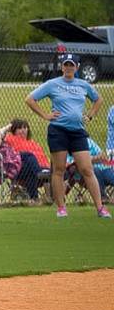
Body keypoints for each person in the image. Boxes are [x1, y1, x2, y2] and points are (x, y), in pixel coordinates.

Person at [25, 53, 108, 219]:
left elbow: (98, 99)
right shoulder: (52, 84)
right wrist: (46, 115)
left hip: (77, 132)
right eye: (66, 65)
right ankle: (61, 207)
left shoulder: (83, 85)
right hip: (58, 131)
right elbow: (30, 99)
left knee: (86, 168)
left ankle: (100, 208)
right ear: (62, 67)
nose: (68, 68)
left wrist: (90, 114)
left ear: (77, 67)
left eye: (72, 65)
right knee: (59, 169)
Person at [0, 118, 50, 202]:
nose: (23, 130)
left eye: (25, 127)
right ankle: (35, 198)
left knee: (48, 172)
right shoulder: (10, 139)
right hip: (18, 169)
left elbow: (44, 159)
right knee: (31, 167)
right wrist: (8, 127)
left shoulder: (33, 143)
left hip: (39, 170)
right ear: (14, 130)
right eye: (20, 128)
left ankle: (48, 198)